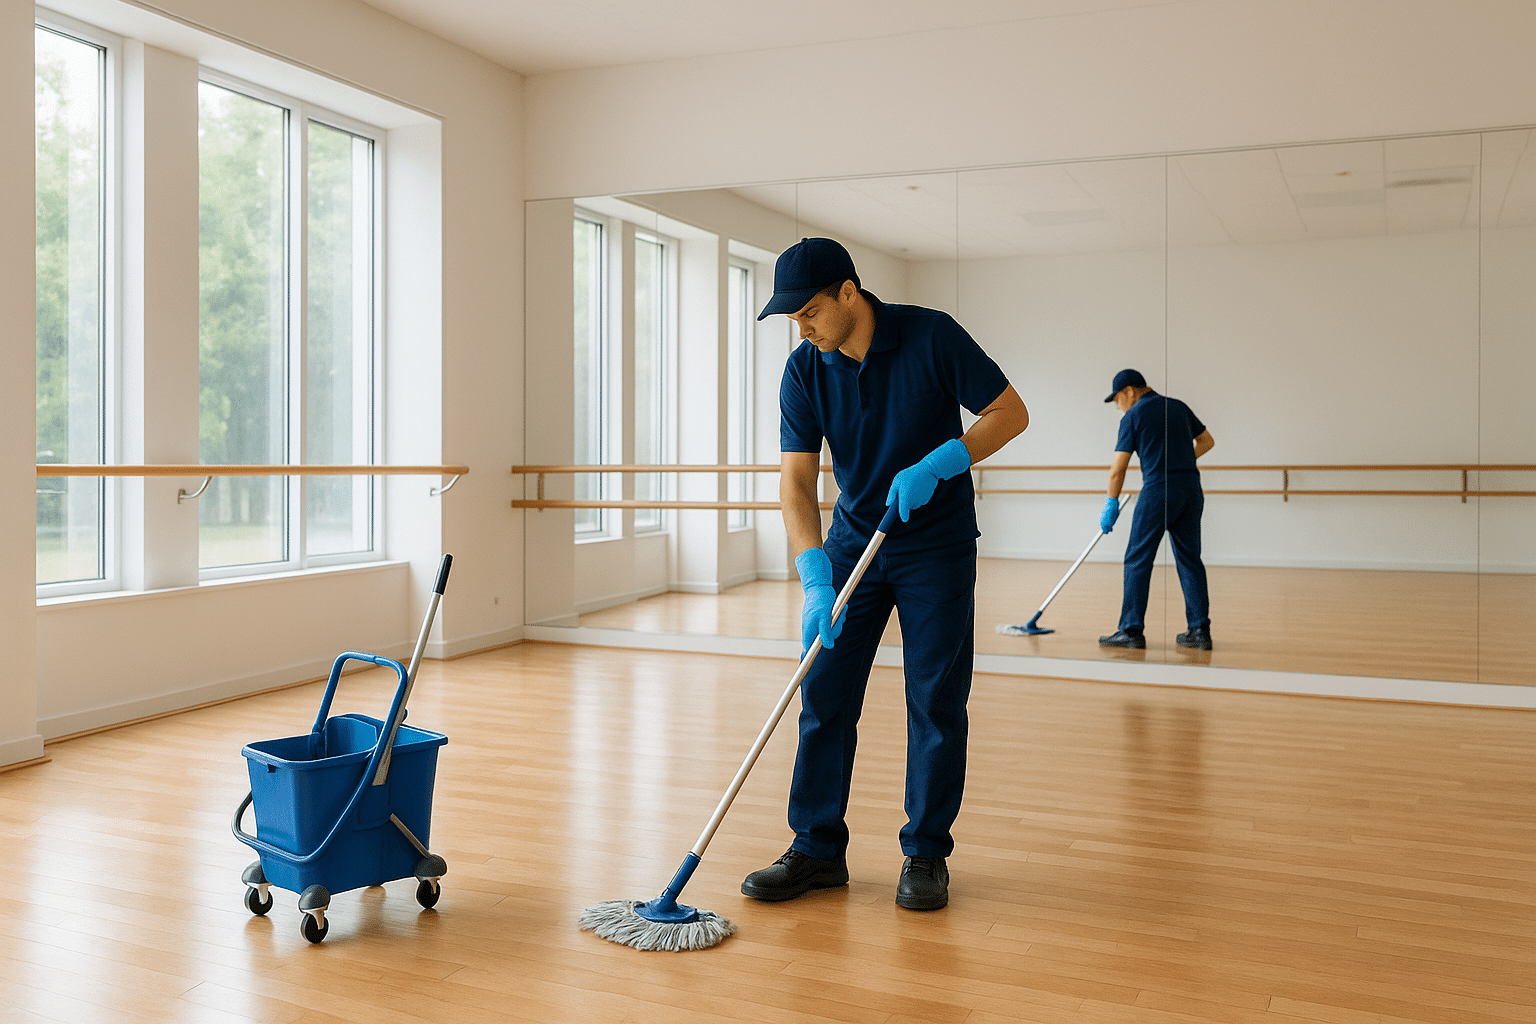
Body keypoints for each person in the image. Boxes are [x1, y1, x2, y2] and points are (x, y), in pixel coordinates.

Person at [741, 237, 1029, 911]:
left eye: (809, 310)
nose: (802, 327)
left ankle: (926, 853)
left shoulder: (932, 335)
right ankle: (815, 848)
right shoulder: (804, 369)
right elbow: (795, 478)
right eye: (792, 317)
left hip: (937, 545)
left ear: (849, 292)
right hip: (851, 545)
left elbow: (1010, 414)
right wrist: (814, 571)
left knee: (934, 699)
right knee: (825, 696)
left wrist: (944, 461)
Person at [1097, 369, 1215, 651]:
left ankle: (1131, 630)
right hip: (1190, 489)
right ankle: (1199, 631)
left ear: (1129, 391)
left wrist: (1110, 503)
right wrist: (1180, 458)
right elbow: (1207, 441)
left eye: (1117, 400)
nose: (1118, 406)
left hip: (1158, 491)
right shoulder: (1179, 406)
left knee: (1137, 559)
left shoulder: (1133, 417)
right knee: (1190, 559)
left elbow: (1118, 469)